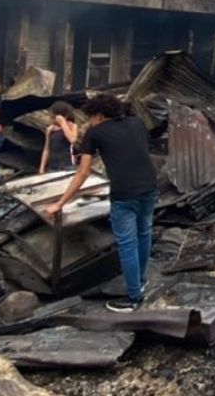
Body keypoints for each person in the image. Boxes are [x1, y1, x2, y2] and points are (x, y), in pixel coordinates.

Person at [45, 95, 157, 312]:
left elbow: (83, 172)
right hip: (149, 187)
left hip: (124, 194)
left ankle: (133, 298)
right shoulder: (137, 123)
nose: (90, 122)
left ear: (98, 114)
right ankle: (141, 282)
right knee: (144, 234)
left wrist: (60, 203)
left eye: (91, 118)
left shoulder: (94, 133)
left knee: (127, 244)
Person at [38, 101, 79, 174]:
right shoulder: (50, 129)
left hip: (68, 164)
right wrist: (42, 168)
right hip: (53, 166)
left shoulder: (72, 126)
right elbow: (46, 149)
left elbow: (72, 140)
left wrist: (63, 123)